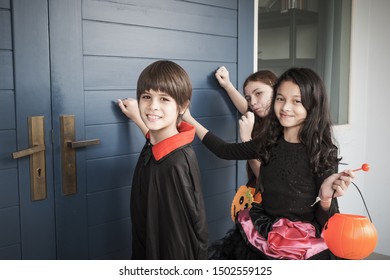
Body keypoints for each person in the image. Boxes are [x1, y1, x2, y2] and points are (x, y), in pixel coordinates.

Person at [182, 67, 355, 259]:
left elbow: (328, 222)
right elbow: (224, 150)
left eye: (296, 101)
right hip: (262, 235)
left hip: (302, 248)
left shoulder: (324, 152)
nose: (285, 107)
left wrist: (324, 198)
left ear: (312, 105)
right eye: (280, 99)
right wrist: (188, 119)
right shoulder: (269, 141)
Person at [117, 60, 208, 260]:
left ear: (183, 106)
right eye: (146, 97)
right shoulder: (159, 145)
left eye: (164, 99)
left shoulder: (175, 164)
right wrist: (136, 117)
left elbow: (177, 240)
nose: (153, 107)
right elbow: (152, 137)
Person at [215, 66, 277, 186]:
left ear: (276, 89)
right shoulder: (263, 118)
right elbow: (247, 108)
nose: (253, 103)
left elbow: (266, 180)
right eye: (248, 98)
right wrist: (227, 85)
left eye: (259, 93)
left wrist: (247, 140)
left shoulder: (283, 129)